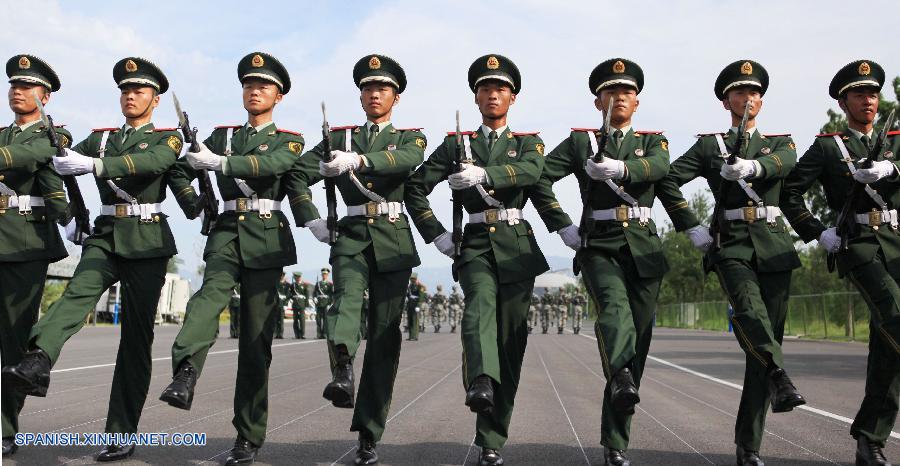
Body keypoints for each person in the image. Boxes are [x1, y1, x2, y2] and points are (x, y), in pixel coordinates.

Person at [3, 56, 182, 462]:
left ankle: (121, 431)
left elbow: (155, 163)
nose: (130, 96)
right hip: (104, 237)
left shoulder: (167, 138)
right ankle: (37, 360)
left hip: (149, 241)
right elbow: (58, 155)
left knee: (136, 340)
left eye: (138, 91)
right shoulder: (101, 138)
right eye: (124, 90)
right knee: (74, 299)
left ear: (155, 100)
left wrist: (94, 165)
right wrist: (58, 155)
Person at [656, 59, 806, 466]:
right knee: (752, 314)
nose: (748, 98)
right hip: (732, 245)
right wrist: (690, 226)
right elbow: (668, 179)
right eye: (740, 92)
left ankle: (749, 445)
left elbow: (785, 165)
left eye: (754, 93)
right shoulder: (710, 146)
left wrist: (754, 166)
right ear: (726, 101)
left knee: (765, 342)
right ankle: (779, 376)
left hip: (775, 247)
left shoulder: (781, 142)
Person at [159, 52, 303, 465]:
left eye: (262, 86)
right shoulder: (222, 135)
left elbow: (274, 164)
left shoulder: (288, 139)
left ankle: (248, 435)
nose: (253, 90)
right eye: (248, 84)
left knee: (256, 342)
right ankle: (186, 372)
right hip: (225, 232)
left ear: (278, 95)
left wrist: (220, 163)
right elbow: (182, 168)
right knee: (206, 299)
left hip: (266, 236)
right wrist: (197, 199)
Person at [405, 53, 548, 466]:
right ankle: (480, 380)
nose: (492, 94)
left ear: (512, 97)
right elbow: (416, 188)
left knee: (512, 340)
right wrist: (437, 235)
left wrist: (485, 175)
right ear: (476, 97)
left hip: (518, 246)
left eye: (500, 88)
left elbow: (532, 171)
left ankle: (492, 439)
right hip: (475, 246)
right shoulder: (456, 145)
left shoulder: (527, 143)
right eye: (485, 88)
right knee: (479, 307)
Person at [287, 54, 426, 465]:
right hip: (349, 236)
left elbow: (406, 161)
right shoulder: (339, 138)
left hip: (394, 240)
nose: (373, 94)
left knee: (385, 337)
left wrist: (359, 161)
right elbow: (297, 173)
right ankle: (343, 367)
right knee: (344, 298)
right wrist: (311, 220)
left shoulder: (410, 136)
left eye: (381, 88)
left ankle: (369, 431)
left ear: (395, 97)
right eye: (367, 88)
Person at [780, 59, 899, 466]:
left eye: (873, 93)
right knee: (896, 315)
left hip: (899, 241)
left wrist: (892, 166)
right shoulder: (829, 147)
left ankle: (869, 438)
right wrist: (818, 233)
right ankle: (871, 437)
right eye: (859, 94)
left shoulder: (896, 140)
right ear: (843, 101)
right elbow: (790, 193)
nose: (868, 100)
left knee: (889, 342)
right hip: (860, 246)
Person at [0, 54, 70, 457]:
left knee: (12, 340)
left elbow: (28, 158)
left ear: (45, 96)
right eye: (13, 85)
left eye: (26, 87)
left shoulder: (54, 136)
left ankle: (6, 428)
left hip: (26, 242)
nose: (17, 92)